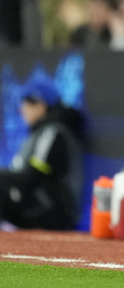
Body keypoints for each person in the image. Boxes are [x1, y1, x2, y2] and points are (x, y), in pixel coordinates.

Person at [0, 75, 85, 230]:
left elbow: (34, 174)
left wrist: (3, 178)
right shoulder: (39, 133)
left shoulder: (53, 132)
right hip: (38, 203)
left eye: (26, 104)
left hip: (54, 210)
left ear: (41, 105)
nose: (22, 109)